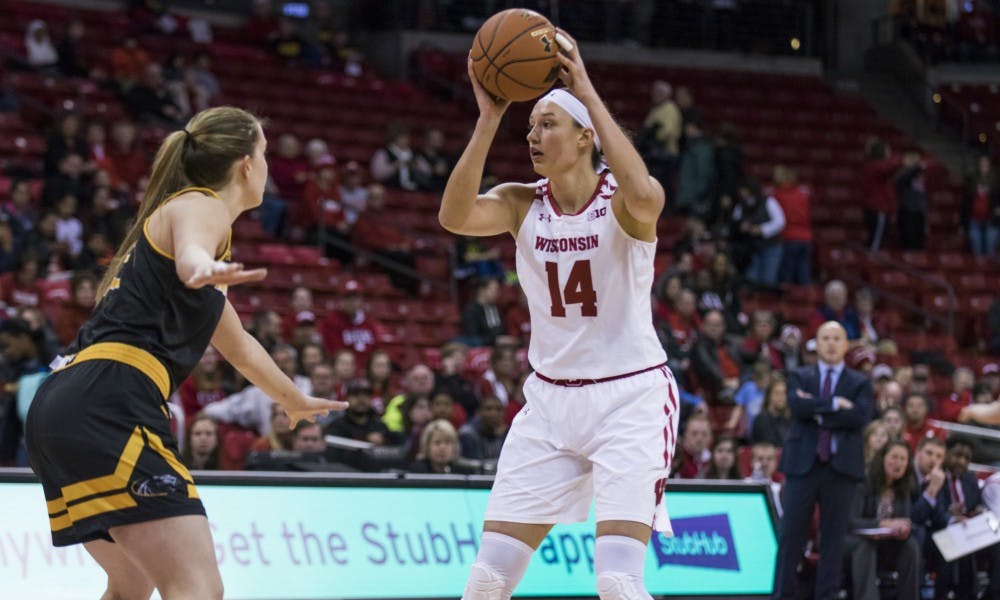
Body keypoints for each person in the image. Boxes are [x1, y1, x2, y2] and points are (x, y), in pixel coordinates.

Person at [23, 107, 345, 600]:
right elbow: (194, 251)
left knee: (131, 585)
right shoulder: (202, 205)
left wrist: (294, 399)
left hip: (66, 404)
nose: (267, 164)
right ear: (245, 163)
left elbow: (240, 348)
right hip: (110, 399)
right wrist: (200, 267)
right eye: (264, 152)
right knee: (196, 588)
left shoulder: (181, 221)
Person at [439, 30, 679, 600]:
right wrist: (489, 119)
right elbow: (453, 216)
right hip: (548, 404)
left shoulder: (624, 200)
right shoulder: (522, 201)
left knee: (618, 583)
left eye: (547, 123)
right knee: (485, 581)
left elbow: (647, 197)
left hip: (630, 399)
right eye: (531, 127)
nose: (534, 136)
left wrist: (586, 89)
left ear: (585, 136)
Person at [773, 321, 873, 600]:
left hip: (841, 470)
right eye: (825, 338)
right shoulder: (799, 375)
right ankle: (783, 595)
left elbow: (861, 416)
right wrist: (834, 405)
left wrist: (815, 407)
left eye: (836, 338)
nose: (830, 343)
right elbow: (796, 406)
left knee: (833, 542)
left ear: (845, 345)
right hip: (802, 466)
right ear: (817, 343)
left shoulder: (860, 382)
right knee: (791, 537)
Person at [848, 440, 920, 600]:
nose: (898, 463)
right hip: (853, 541)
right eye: (894, 457)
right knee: (865, 545)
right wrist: (881, 524)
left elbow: (903, 520)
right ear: (882, 458)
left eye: (903, 459)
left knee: (910, 545)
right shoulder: (863, 482)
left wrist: (902, 530)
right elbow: (850, 522)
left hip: (884, 544)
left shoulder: (903, 489)